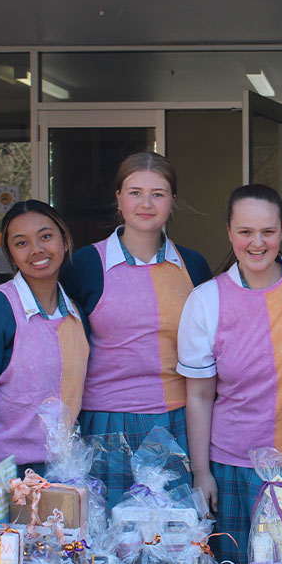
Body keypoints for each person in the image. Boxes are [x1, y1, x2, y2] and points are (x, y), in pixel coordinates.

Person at [177, 184, 282, 564]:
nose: (257, 243)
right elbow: (200, 397)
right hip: (235, 466)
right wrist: (201, 473)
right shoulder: (205, 300)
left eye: (268, 232)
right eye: (245, 232)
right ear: (229, 232)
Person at [60, 152, 211, 506]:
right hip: (106, 425)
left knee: (176, 542)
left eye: (158, 194)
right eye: (135, 192)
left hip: (179, 421)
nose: (146, 203)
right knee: (111, 541)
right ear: (118, 198)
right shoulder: (84, 265)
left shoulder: (193, 265)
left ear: (173, 201)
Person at [0, 200, 88, 496]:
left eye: (45, 236)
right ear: (10, 255)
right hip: (4, 481)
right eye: (21, 243)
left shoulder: (76, 314)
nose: (36, 249)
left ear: (65, 239)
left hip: (65, 475)